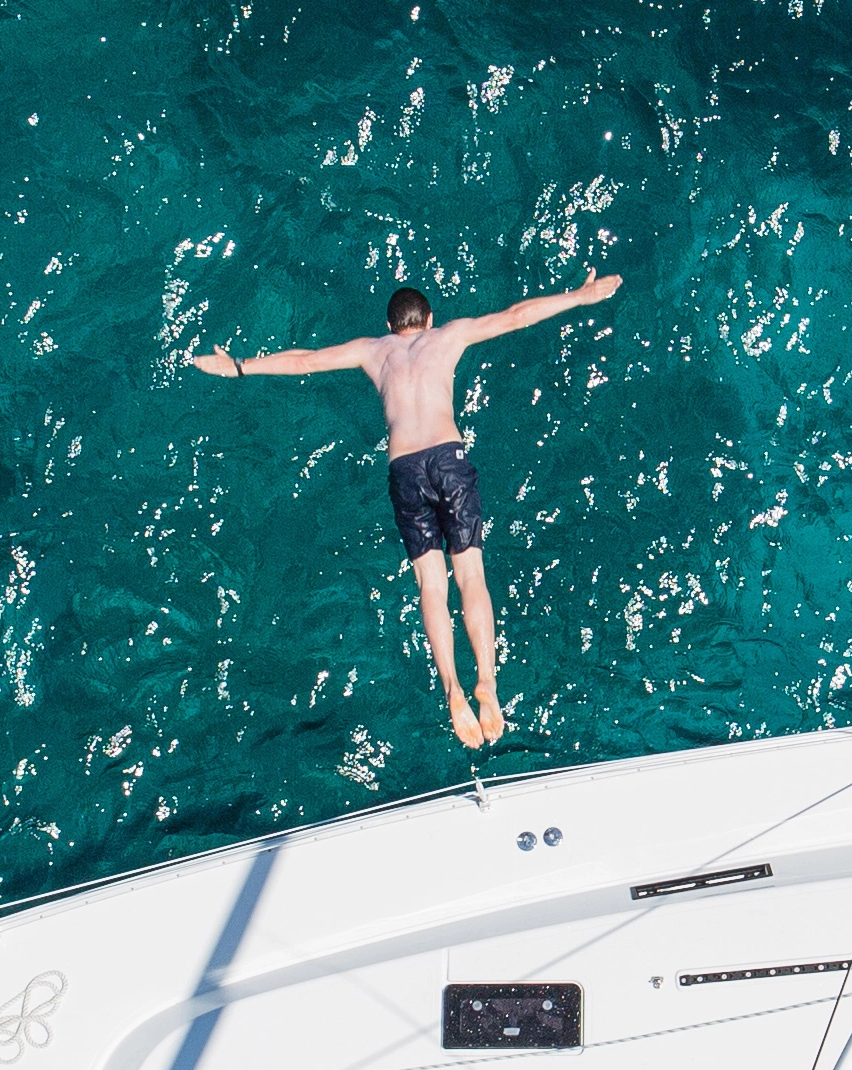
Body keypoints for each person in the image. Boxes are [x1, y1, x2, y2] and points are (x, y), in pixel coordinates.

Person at [192, 269, 625, 745]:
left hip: (405, 469)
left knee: (431, 586)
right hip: (448, 457)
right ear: (429, 319)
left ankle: (453, 691)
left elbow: (305, 361)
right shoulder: (450, 335)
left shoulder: (371, 350)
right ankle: (487, 681)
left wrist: (238, 366)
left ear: (390, 326)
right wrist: (579, 296)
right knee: (472, 578)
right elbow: (516, 316)